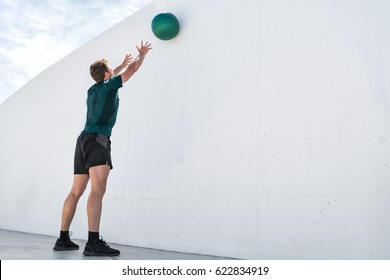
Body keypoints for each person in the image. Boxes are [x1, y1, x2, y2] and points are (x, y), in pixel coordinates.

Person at [53, 40, 152, 256]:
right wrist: (141, 55)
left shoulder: (92, 89)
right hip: (98, 140)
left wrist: (118, 65)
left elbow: (107, 76)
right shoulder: (109, 85)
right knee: (97, 191)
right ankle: (93, 243)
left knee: (75, 191)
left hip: (82, 141)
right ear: (108, 75)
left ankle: (62, 239)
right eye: (111, 70)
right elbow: (133, 69)